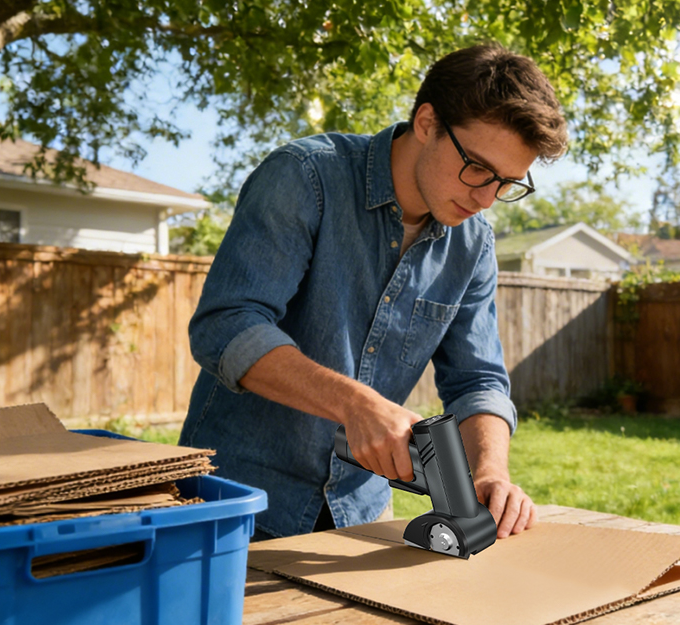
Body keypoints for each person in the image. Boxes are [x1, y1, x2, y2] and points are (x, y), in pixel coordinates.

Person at [180, 42, 568, 540]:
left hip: (357, 516)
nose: (485, 198)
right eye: (477, 168)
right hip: (237, 502)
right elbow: (227, 324)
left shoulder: (473, 243)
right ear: (427, 122)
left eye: (507, 183)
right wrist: (355, 404)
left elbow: (477, 382)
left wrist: (490, 471)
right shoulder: (304, 178)